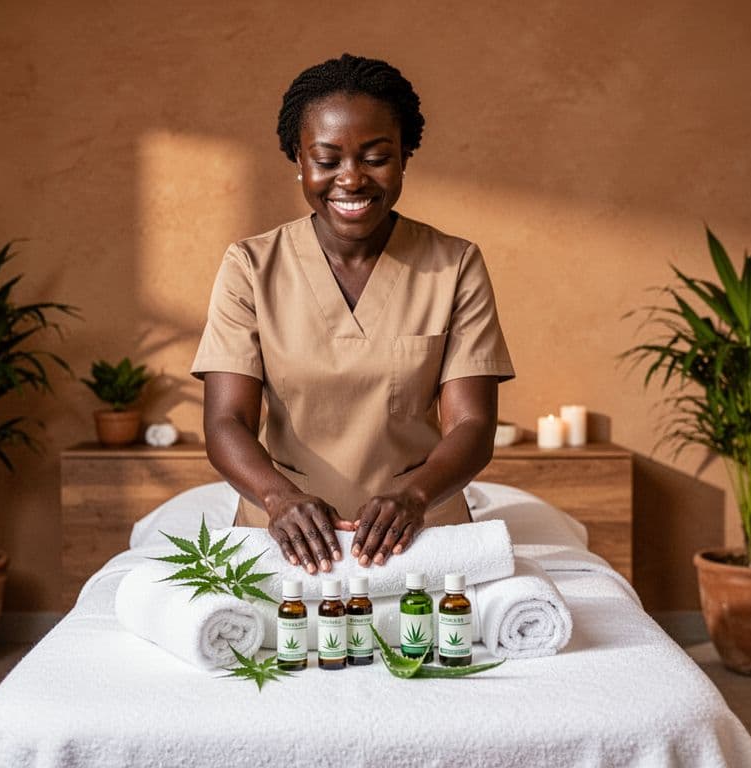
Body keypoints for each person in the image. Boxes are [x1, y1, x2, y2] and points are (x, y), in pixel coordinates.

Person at [191, 53, 513, 576]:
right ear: (298, 159)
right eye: (327, 159)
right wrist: (279, 500)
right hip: (284, 540)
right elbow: (226, 421)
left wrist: (413, 498)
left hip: (422, 538)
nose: (351, 179)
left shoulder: (455, 264)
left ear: (406, 154)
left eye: (375, 156)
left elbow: (473, 424)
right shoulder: (249, 266)